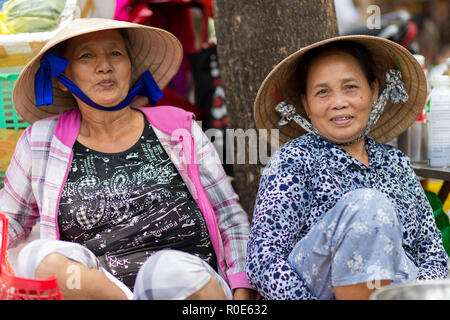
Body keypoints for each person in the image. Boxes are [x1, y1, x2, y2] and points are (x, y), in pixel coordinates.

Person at [0, 18, 255, 300]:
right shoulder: (40, 143)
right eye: (87, 56)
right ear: (62, 78)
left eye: (116, 53)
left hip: (191, 287)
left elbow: (229, 217)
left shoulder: (178, 129)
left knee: (168, 270)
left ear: (130, 68)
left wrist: (241, 295)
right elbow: (8, 221)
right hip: (105, 291)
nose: (104, 66)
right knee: (39, 257)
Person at [247, 35, 449, 300]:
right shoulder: (294, 160)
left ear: (374, 92)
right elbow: (263, 258)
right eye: (322, 92)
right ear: (307, 104)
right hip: (315, 293)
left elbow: (433, 255)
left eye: (350, 87)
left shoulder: (395, 162)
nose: (338, 102)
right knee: (369, 206)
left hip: (396, 292)